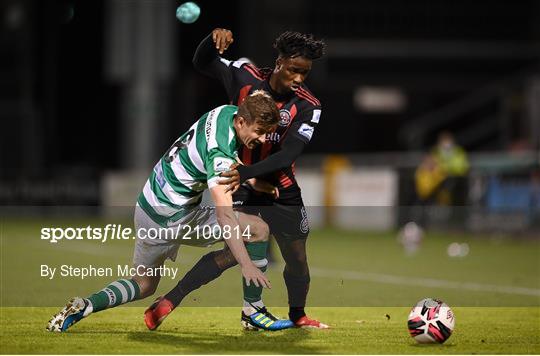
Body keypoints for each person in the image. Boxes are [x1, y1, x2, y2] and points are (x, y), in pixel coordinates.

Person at [46, 91, 292, 332]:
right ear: (241, 122)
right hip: (174, 218)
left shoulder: (224, 113)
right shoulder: (221, 156)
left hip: (147, 206)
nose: (261, 139)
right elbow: (224, 216)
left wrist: (248, 180)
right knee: (257, 230)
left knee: (143, 285)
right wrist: (247, 264)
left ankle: (85, 305)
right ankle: (253, 312)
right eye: (259, 132)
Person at [146, 28, 329, 330]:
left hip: (279, 187)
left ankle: (298, 316)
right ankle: (178, 300)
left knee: (297, 258)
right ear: (280, 62)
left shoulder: (309, 105)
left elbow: (288, 154)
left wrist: (247, 172)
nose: (299, 79)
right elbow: (202, 61)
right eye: (295, 70)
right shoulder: (246, 76)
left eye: (305, 73)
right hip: (238, 180)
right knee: (234, 251)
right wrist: (212, 37)